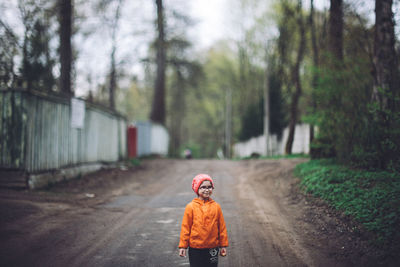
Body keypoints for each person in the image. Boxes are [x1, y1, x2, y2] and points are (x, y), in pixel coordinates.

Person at [179, 174, 229, 267]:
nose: (207, 190)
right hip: (195, 248)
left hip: (212, 248)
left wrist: (223, 245)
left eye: (209, 187)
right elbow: (185, 228)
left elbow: (221, 227)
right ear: (197, 189)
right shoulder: (191, 207)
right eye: (203, 187)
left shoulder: (216, 206)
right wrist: (183, 246)